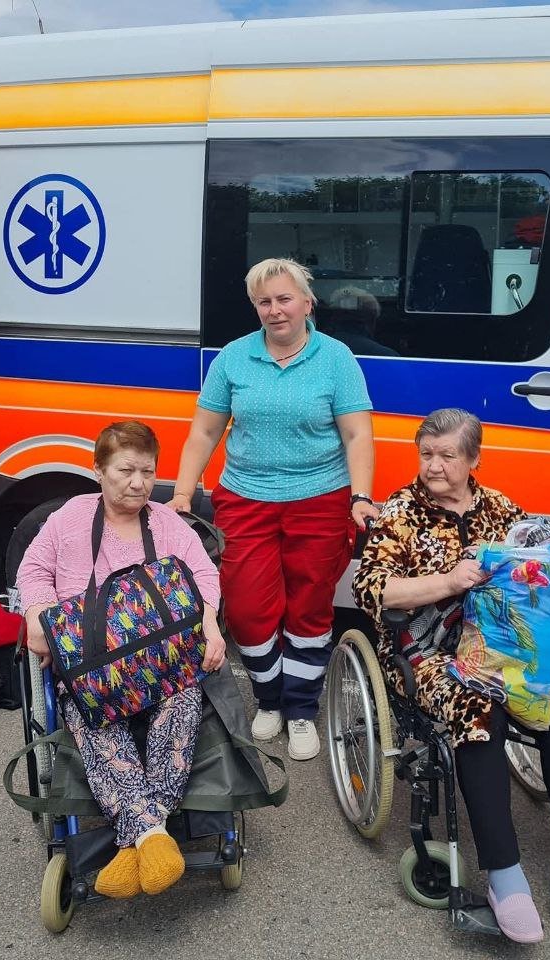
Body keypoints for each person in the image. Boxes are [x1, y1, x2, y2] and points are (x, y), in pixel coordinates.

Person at [352, 408, 550, 943]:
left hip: (507, 647)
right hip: (429, 652)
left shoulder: (502, 508)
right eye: (426, 454)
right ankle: (506, 876)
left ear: (473, 459)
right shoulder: (400, 514)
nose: (434, 466)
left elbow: (540, 568)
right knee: (479, 711)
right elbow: (371, 590)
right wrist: (448, 581)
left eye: (447, 455)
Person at [172, 257, 379, 761]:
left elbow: (357, 434)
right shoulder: (233, 358)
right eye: (264, 302)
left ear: (307, 303)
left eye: (284, 299)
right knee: (246, 608)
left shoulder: (336, 359)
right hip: (246, 499)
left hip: (320, 499)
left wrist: (360, 495)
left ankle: (301, 708)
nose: (275, 310)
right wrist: (182, 493)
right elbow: (204, 431)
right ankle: (269, 699)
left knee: (309, 605)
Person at [17, 420, 227, 901]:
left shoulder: (167, 523)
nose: (138, 483)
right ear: (99, 470)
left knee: (182, 701)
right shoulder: (71, 517)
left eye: (148, 472)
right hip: (93, 668)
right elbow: (33, 570)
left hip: (161, 663)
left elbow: (204, 574)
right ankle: (153, 834)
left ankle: (137, 839)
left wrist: (210, 622)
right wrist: (36, 615)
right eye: (125, 471)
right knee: (92, 714)